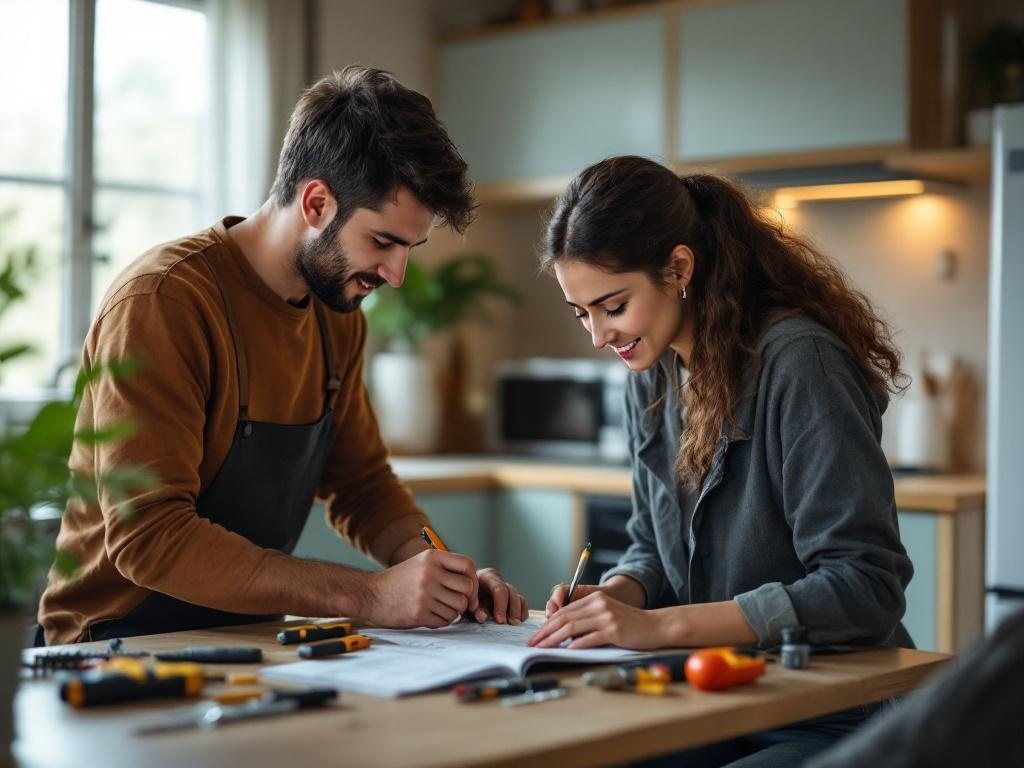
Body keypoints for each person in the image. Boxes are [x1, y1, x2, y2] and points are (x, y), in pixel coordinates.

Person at [37, 66, 527, 646]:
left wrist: (439, 574)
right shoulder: (164, 301)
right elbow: (150, 536)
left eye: (409, 249)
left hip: (247, 645)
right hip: (111, 647)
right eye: (383, 242)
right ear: (316, 202)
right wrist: (369, 595)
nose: (396, 275)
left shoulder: (336, 311)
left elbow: (362, 483)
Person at [527, 155, 913, 765]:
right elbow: (652, 546)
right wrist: (616, 597)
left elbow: (865, 585)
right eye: (583, 314)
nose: (599, 337)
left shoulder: (799, 363)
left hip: (825, 714)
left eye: (613, 306)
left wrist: (659, 628)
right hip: (711, 697)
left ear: (679, 267)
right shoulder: (650, 374)